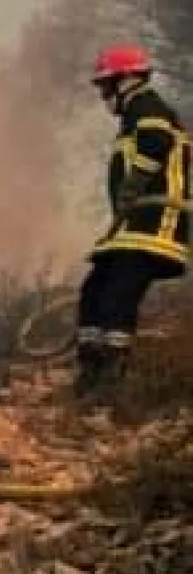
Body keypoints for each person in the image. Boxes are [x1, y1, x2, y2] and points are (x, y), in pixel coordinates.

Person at [76, 43, 189, 400]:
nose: (103, 94)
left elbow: (155, 142)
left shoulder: (147, 106)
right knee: (93, 292)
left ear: (125, 81)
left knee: (117, 295)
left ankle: (111, 379)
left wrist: (134, 184)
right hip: (133, 226)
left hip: (156, 224)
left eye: (105, 85)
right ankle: (90, 373)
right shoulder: (133, 115)